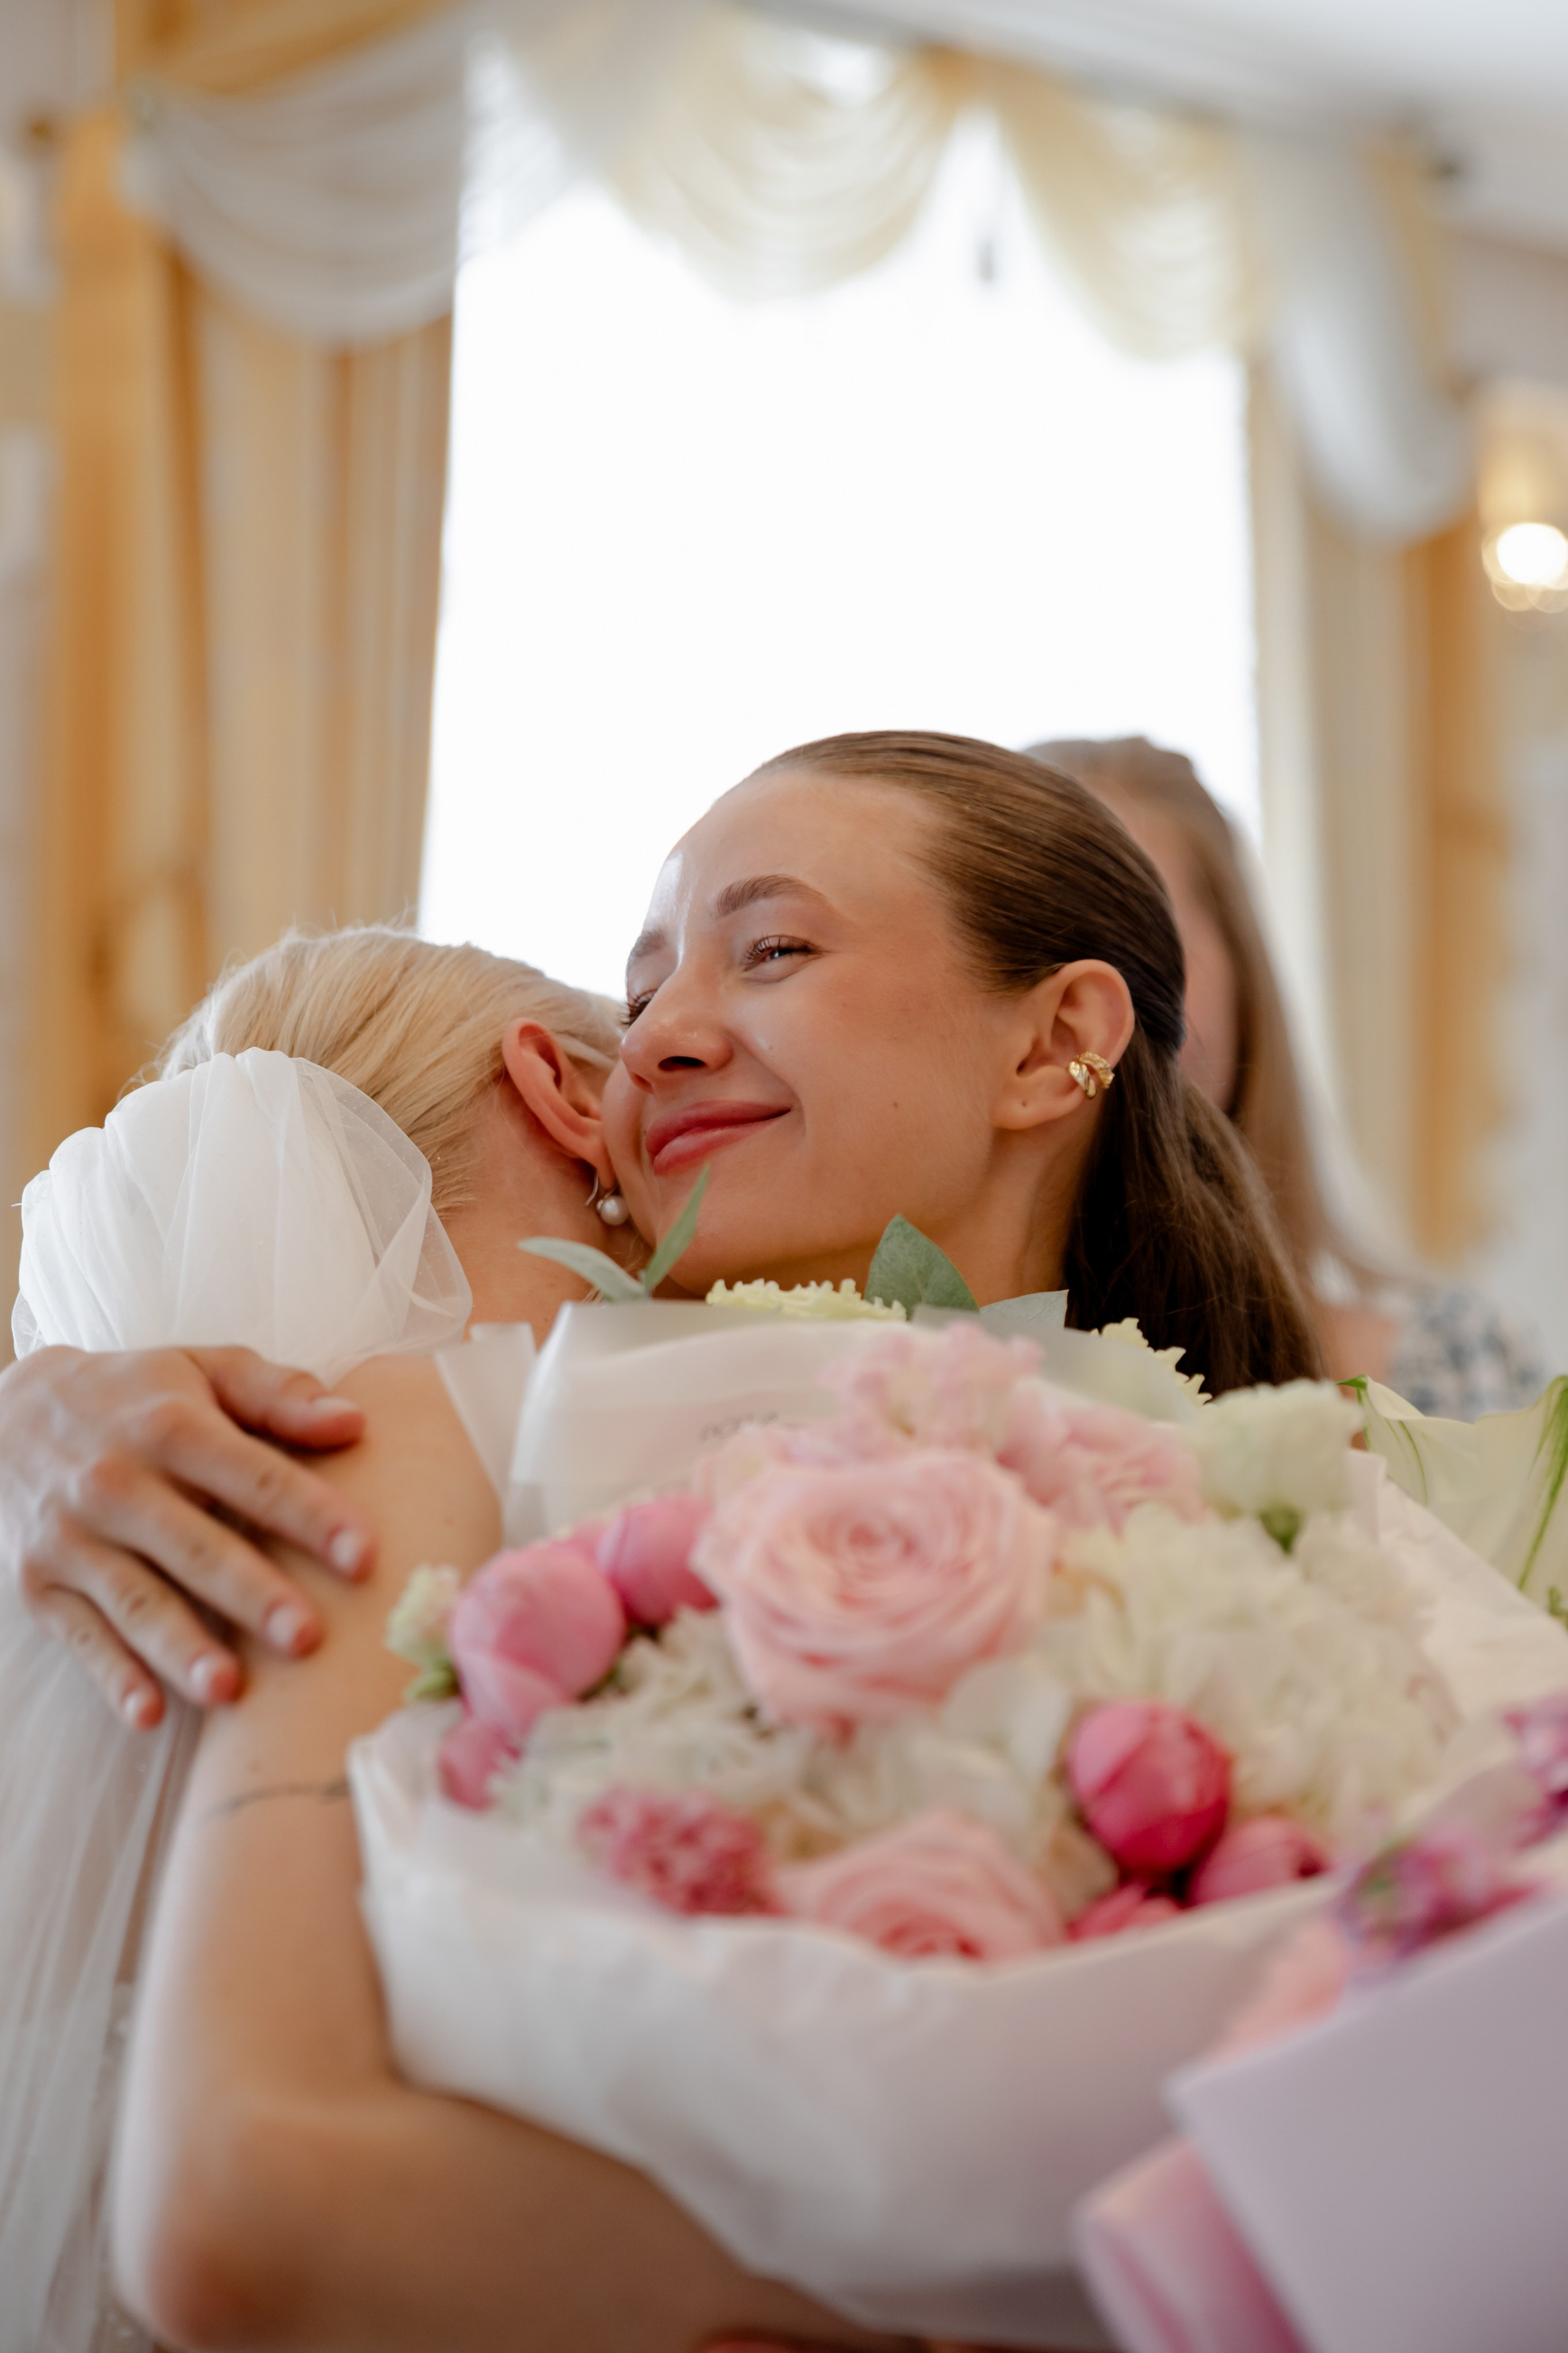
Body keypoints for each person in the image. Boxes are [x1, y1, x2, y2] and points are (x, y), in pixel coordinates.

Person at [8, 733, 1316, 2348]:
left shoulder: (1282, 1487)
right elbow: (247, 2188)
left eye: (769, 951)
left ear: (1058, 1047)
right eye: (635, 1006)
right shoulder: (423, 1441)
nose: (666, 1045)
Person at [1033, 734, 1551, 1416]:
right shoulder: (917, 1383)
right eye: (1043, 959)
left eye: (1139, 945)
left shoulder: (1459, 1372)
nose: (1095, 1012)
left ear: (1243, 971)